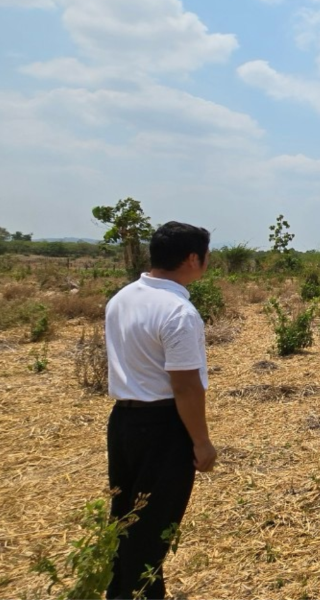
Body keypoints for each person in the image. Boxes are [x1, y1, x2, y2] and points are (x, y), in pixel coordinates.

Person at [104, 221, 217, 600]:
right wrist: (201, 443)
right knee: (153, 528)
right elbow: (185, 386)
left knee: (125, 518)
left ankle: (118, 590)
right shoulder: (179, 312)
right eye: (205, 255)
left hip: (122, 422)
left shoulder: (121, 298)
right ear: (191, 258)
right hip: (162, 427)